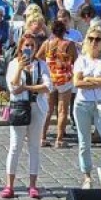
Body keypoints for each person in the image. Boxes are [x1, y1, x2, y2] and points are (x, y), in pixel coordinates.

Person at [1, 34, 49, 199]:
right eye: (26, 45)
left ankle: (33, 185)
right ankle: (9, 185)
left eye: (32, 45)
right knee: (15, 146)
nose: (29, 48)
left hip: (37, 107)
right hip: (20, 108)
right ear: (20, 47)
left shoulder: (41, 65)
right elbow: (13, 87)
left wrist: (27, 88)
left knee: (34, 147)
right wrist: (20, 68)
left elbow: (47, 86)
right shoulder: (14, 64)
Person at [72, 22, 101, 183]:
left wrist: (89, 79)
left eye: (97, 39)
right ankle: (87, 176)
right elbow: (77, 83)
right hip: (83, 105)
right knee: (84, 143)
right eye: (91, 38)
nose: (94, 42)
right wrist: (100, 81)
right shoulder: (81, 61)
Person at [39, 17, 78, 148]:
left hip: (50, 79)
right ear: (64, 31)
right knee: (62, 110)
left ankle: (42, 137)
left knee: (48, 110)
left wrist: (47, 65)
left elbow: (38, 57)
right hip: (64, 80)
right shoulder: (69, 44)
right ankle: (59, 139)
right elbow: (75, 60)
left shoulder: (47, 44)